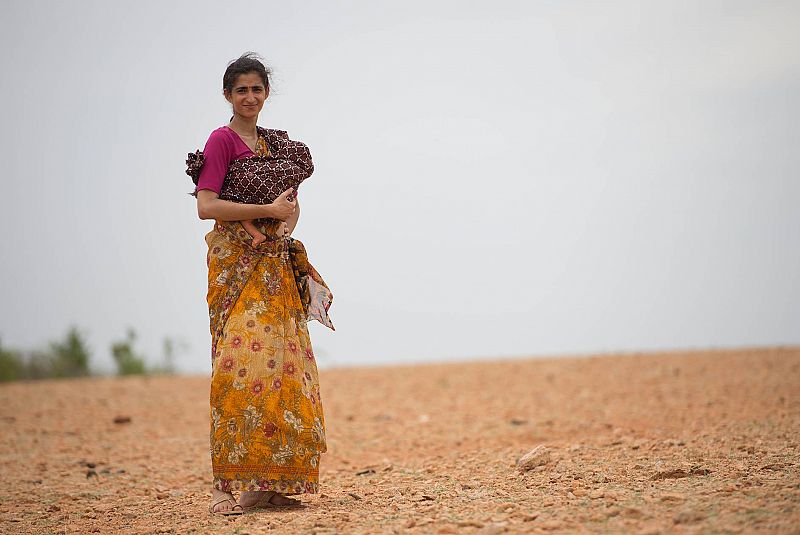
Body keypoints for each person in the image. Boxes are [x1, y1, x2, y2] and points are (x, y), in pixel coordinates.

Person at [193, 53, 333, 516]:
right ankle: (222, 488)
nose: (250, 97)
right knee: (238, 369)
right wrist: (266, 214)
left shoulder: (278, 147)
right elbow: (207, 205)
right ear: (228, 95)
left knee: (281, 371)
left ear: (266, 93)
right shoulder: (222, 141)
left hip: (273, 268)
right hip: (236, 268)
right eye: (241, 90)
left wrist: (280, 225)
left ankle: (265, 487)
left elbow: (291, 204)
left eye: (256, 89)